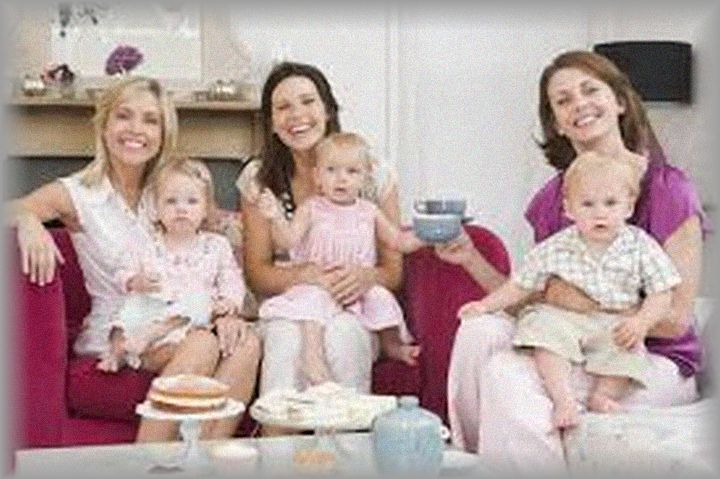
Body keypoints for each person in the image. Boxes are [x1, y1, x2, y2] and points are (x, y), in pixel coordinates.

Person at [444, 50, 708, 472]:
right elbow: (531, 295)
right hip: (574, 342)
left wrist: (590, 308)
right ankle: (475, 461)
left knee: (507, 374)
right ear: (557, 124)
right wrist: (470, 258)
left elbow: (675, 319)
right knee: (480, 331)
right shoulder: (554, 199)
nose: (579, 104)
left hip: (645, 357)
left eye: (590, 90)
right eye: (563, 101)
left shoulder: (668, 189)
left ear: (619, 101)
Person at [8, 76, 261, 442]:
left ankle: (205, 459)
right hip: (124, 330)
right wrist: (29, 220)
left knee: (246, 344)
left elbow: (210, 254)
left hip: (186, 320)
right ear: (104, 125)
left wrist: (228, 313)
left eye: (150, 120)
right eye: (124, 116)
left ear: (163, 133)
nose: (136, 130)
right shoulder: (79, 194)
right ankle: (149, 454)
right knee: (204, 344)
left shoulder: (172, 191)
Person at [459, 151, 681, 430]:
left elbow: (662, 292)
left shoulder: (640, 246)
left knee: (630, 349)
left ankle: (603, 395)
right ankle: (562, 399)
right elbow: (521, 284)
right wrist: (485, 305)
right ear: (569, 209)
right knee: (543, 327)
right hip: (566, 317)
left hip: (614, 321)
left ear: (628, 207)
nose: (600, 213)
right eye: (587, 204)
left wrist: (642, 322)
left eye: (610, 203)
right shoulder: (557, 246)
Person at [238, 62, 404, 413]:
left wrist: (365, 277)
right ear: (272, 123)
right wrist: (306, 275)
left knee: (345, 335)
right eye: (283, 107)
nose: (297, 115)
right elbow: (257, 273)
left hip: (352, 306)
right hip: (290, 304)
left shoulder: (372, 174)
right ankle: (276, 439)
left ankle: (346, 437)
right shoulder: (259, 178)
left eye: (307, 101)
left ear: (328, 109)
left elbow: (394, 270)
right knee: (284, 339)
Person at [256, 132, 423, 386]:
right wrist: (276, 217)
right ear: (317, 176)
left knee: (381, 299)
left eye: (352, 171)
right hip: (319, 282)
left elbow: (399, 241)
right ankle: (312, 357)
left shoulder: (370, 212)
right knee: (313, 302)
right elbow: (287, 240)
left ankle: (391, 345)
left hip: (355, 289)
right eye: (331, 170)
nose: (341, 178)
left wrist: (430, 235)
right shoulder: (312, 208)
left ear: (365, 178)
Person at [98, 159, 249, 374]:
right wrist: (133, 281)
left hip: (190, 317)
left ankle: (157, 334)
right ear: (156, 209)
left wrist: (230, 300)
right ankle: (117, 352)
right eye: (171, 201)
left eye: (192, 201)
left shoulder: (216, 245)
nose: (181, 209)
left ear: (206, 209)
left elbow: (231, 277)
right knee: (127, 313)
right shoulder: (146, 244)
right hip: (152, 309)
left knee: (199, 304)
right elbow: (122, 270)